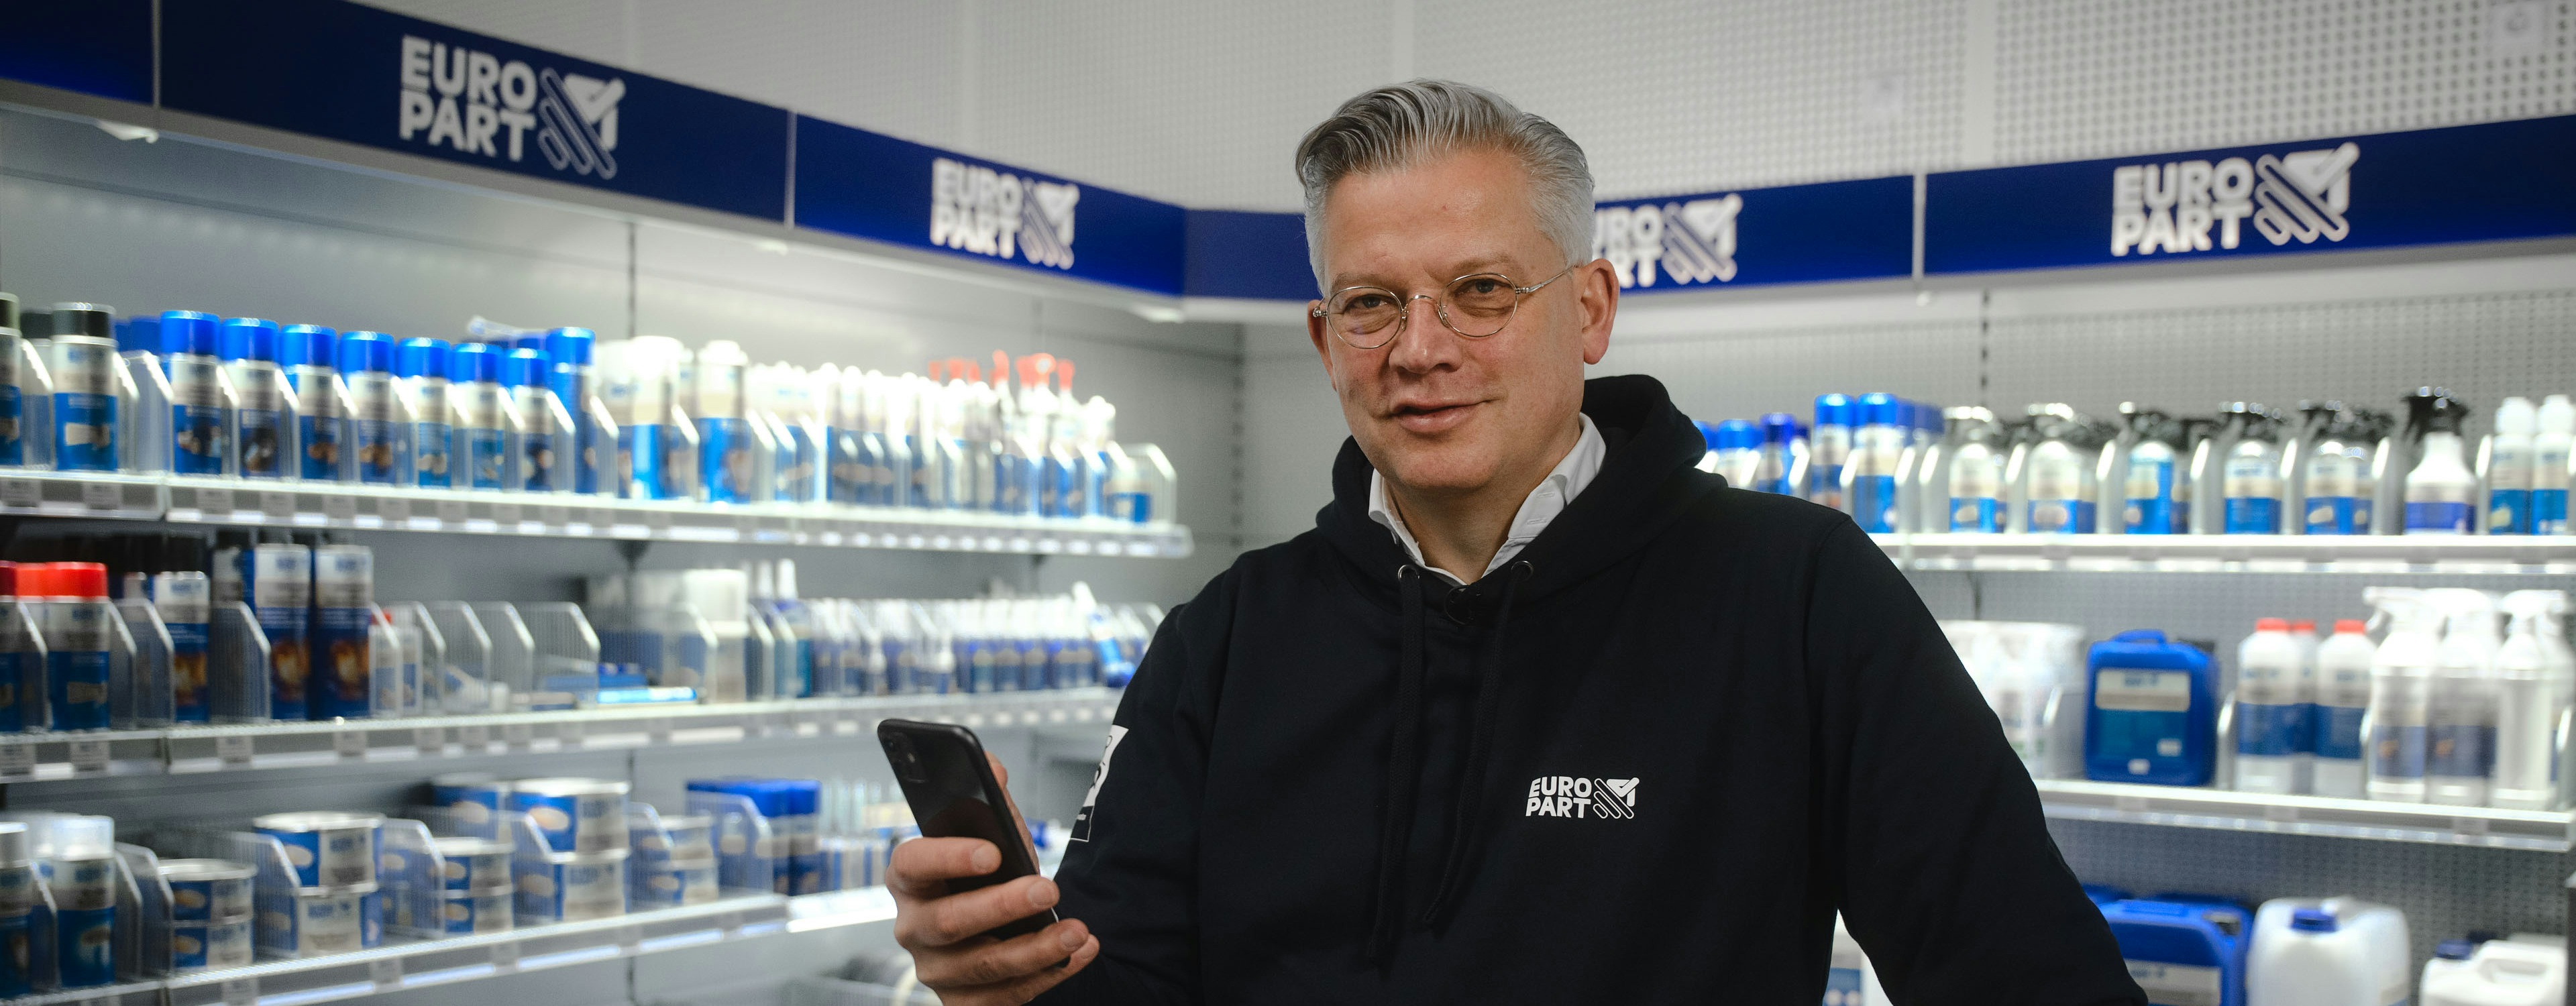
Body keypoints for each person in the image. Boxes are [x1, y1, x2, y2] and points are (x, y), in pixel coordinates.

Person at [889, 80, 2145, 1005]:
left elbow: (2030, 976)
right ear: (1328, 343)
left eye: (1482, 291)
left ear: (1589, 311)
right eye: (1374, 303)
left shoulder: (1801, 601)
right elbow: (1131, 985)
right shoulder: (1229, 636)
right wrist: (1011, 976)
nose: (1421, 348)